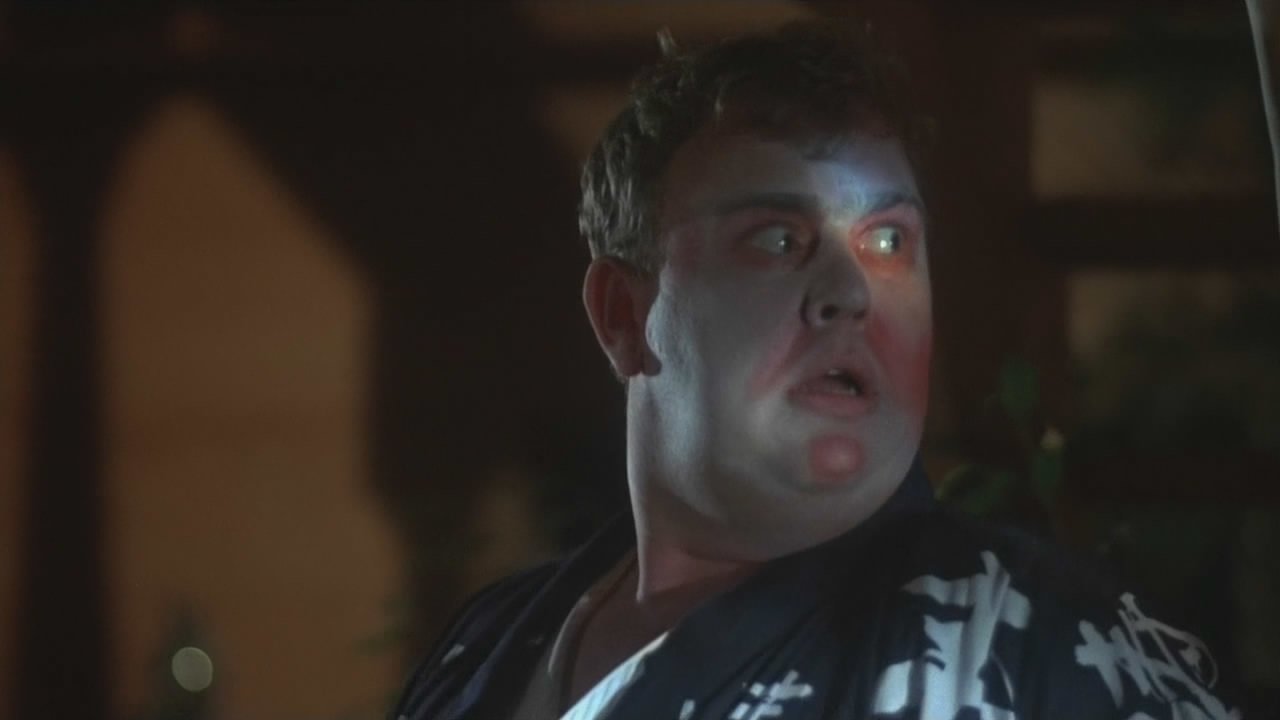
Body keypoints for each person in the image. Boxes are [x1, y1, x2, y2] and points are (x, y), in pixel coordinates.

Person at [390, 19, 1252, 720]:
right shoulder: (486, 646)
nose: (849, 291)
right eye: (777, 239)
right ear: (623, 315)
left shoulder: (1043, 647)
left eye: (889, 241)